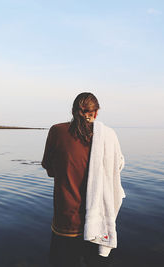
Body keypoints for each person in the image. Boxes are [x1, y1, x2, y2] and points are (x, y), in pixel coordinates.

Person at [42, 92, 125, 267]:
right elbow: (116, 169)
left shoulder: (57, 131)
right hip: (99, 221)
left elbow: (50, 170)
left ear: (73, 111)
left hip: (67, 221)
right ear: (96, 113)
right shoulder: (109, 136)